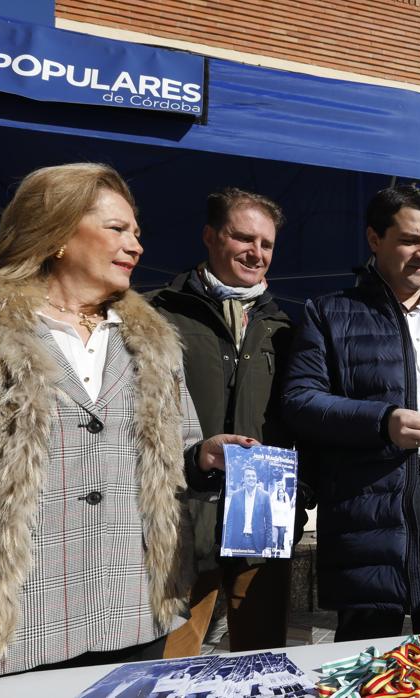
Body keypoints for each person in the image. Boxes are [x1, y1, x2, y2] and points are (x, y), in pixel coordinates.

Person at [0, 163, 249, 691]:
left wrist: (202, 456)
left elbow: (179, 449)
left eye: (137, 233)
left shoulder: (156, 345)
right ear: (56, 233)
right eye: (117, 229)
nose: (136, 245)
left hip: (126, 610)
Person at [282, 184, 420, 641]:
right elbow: (299, 401)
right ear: (374, 239)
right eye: (410, 240)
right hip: (370, 499)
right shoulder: (330, 312)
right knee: (368, 647)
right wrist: (382, 421)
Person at [149, 188, 295, 652]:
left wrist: (302, 489)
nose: (256, 253)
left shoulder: (287, 326)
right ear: (210, 237)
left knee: (261, 654)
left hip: (264, 509)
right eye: (243, 238)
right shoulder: (157, 313)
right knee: (174, 658)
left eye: (267, 244)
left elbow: (297, 415)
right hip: (181, 510)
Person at [223, 467, 273, 554]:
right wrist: (227, 545)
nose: (251, 478)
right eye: (248, 476)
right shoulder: (236, 496)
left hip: (258, 542)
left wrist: (268, 546)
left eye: (253, 476)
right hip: (238, 541)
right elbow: (230, 521)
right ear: (243, 478)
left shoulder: (265, 496)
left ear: (256, 478)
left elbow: (269, 522)